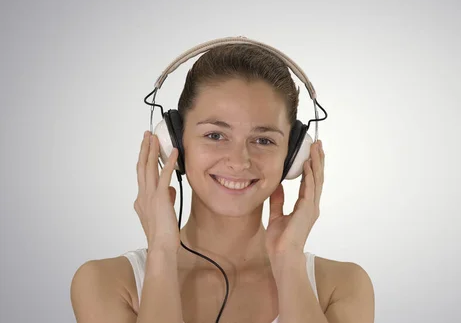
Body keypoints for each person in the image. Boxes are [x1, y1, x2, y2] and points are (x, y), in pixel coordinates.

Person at [70, 41, 375, 323]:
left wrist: (289, 261)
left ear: (293, 155)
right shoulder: (107, 283)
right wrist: (161, 252)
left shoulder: (342, 286)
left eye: (263, 139)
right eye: (215, 135)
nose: (239, 161)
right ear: (172, 141)